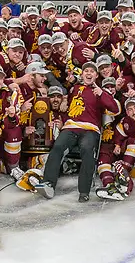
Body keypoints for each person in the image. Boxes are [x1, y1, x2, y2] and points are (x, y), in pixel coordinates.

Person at [35, 61, 120, 202]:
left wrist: (102, 94)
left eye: (92, 71)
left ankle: (84, 191)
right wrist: (64, 101)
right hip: (70, 127)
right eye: (86, 71)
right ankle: (49, 183)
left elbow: (115, 109)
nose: (88, 73)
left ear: (96, 75)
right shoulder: (75, 89)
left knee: (87, 149)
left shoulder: (101, 92)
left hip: (90, 129)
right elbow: (67, 104)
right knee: (58, 146)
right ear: (82, 74)